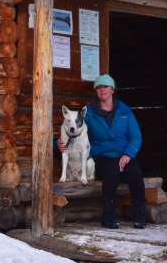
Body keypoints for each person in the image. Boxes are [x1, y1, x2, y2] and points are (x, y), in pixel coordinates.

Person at [58, 73, 147, 229]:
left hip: (124, 156)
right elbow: (73, 131)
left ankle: (140, 214)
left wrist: (127, 154)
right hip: (101, 158)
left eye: (105, 86)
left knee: (134, 169)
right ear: (96, 91)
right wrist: (57, 143)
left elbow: (136, 137)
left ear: (112, 90)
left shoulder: (125, 111)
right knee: (111, 168)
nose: (102, 90)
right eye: (98, 87)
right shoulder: (89, 114)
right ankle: (108, 215)